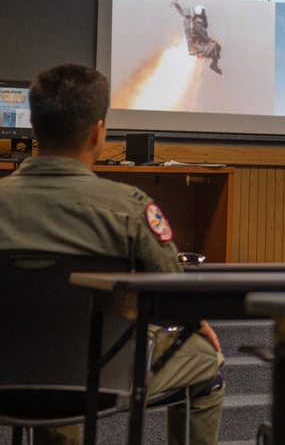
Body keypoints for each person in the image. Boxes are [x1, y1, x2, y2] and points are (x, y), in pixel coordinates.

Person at [0, 64, 225, 445]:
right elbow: (174, 297)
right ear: (97, 132)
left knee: (54, 359)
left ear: (35, 127)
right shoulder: (129, 210)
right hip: (102, 375)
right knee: (206, 363)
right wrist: (197, 323)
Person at [172, 0, 223, 74]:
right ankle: (214, 64)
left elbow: (183, 13)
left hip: (195, 47)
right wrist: (210, 40)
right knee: (217, 47)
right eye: (203, 12)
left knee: (215, 46)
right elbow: (203, 35)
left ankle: (214, 64)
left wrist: (176, 4)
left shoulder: (193, 20)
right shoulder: (198, 22)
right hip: (197, 47)